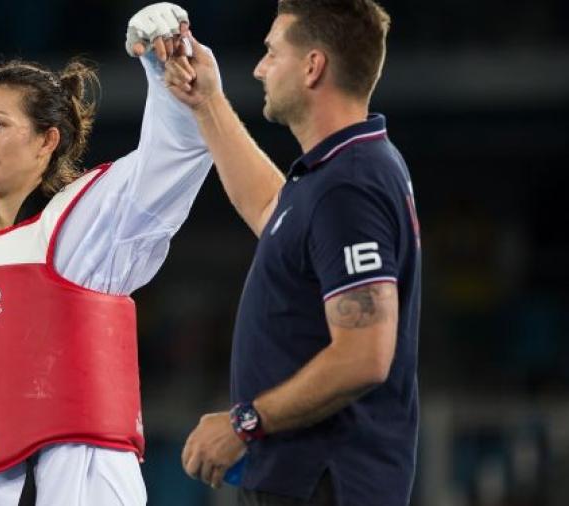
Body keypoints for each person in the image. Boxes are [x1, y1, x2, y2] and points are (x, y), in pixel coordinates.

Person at [0, 4, 213, 505]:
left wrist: (165, 66)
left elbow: (177, 154)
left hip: (79, 480)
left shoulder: (83, 222)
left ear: (46, 141)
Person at [159, 1, 421, 505]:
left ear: (312, 66)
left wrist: (243, 423)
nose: (259, 68)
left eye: (272, 52)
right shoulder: (336, 172)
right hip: (306, 480)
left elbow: (364, 356)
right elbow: (265, 207)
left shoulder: (350, 186)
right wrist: (207, 102)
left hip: (326, 483)